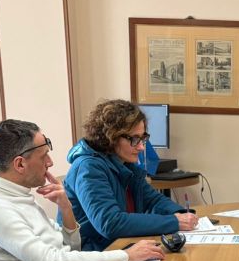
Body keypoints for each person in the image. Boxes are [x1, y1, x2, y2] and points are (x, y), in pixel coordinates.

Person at [0, 119, 164, 261]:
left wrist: (66, 208)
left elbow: (70, 249)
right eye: (44, 156)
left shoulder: (20, 197)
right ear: (20, 164)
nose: (50, 162)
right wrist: (127, 255)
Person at [64, 99, 199, 251]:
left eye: (142, 138)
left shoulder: (124, 163)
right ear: (111, 137)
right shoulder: (88, 168)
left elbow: (152, 199)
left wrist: (181, 214)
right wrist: (173, 222)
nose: (141, 147)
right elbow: (110, 223)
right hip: (95, 253)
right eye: (134, 139)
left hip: (119, 247)